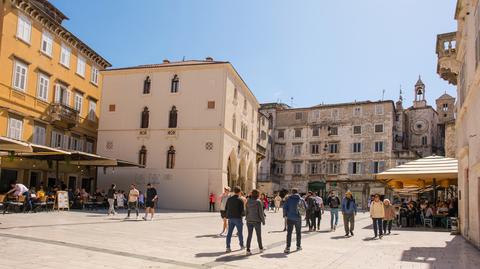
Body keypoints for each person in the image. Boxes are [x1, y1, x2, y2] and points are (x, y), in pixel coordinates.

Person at [283, 188, 307, 253]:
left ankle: (288, 248)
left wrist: (285, 215)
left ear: (292, 192)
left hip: (290, 217)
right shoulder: (301, 199)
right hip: (298, 218)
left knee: (289, 233)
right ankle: (298, 246)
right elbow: (306, 207)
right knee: (298, 233)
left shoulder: (288, 199)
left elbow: (284, 207)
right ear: (297, 192)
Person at [245, 189, 265, 255]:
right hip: (256, 221)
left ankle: (248, 250)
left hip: (249, 220)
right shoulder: (258, 202)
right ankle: (261, 248)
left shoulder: (248, 201)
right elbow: (261, 213)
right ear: (257, 195)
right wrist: (263, 221)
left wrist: (247, 217)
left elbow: (246, 211)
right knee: (258, 235)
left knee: (249, 235)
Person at [225, 186, 245, 253]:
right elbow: (242, 211)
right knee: (240, 233)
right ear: (239, 192)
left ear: (234, 191)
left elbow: (226, 208)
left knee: (229, 233)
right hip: (238, 218)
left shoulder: (229, 199)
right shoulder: (240, 200)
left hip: (230, 218)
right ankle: (241, 245)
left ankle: (228, 247)